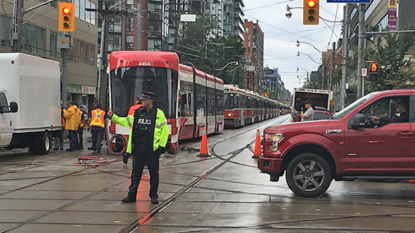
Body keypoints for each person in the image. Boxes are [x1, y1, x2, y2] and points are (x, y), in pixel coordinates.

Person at [107, 91, 169, 204]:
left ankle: (153, 196)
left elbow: (165, 130)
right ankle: (131, 195)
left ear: (150, 100)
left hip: (152, 149)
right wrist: (113, 117)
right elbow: (126, 121)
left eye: (144, 100)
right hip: (139, 147)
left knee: (153, 174)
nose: (142, 101)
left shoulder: (159, 114)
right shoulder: (137, 113)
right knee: (136, 173)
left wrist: (161, 146)